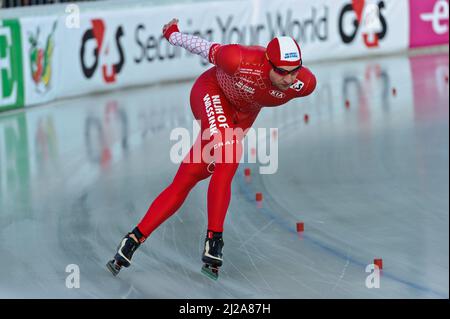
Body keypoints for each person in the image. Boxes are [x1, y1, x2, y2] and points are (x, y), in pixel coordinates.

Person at [107, 18, 317, 279]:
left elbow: (294, 79)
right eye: (282, 72)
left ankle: (132, 239)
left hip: (240, 117)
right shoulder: (239, 59)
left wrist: (292, 77)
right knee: (229, 155)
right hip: (211, 92)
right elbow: (203, 47)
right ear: (268, 63)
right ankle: (214, 240)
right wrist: (173, 34)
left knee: (188, 177)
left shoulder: (304, 84)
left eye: (294, 70)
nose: (288, 79)